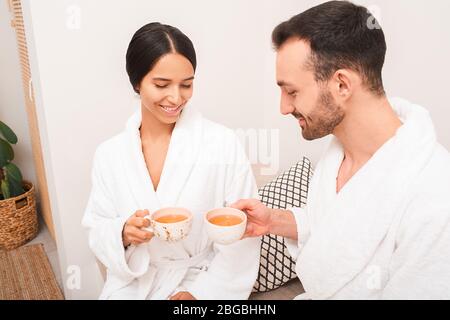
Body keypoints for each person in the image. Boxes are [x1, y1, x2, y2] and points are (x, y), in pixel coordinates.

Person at [232, 1, 450, 299]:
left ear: (342, 85)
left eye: (292, 91)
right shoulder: (337, 154)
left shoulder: (436, 200)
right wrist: (274, 221)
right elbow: (336, 230)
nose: (283, 108)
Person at [82, 22, 260, 300]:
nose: (176, 98)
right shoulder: (110, 155)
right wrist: (123, 234)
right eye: (162, 84)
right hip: (135, 283)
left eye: (186, 85)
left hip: (203, 279)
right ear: (137, 82)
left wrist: (201, 294)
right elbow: (97, 226)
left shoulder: (222, 143)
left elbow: (241, 232)